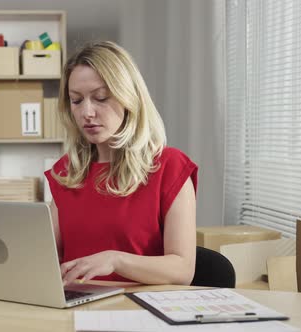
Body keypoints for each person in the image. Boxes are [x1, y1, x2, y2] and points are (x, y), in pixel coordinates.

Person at [44, 41, 198, 285]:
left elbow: (182, 270)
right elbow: (44, 258)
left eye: (101, 98)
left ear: (129, 98)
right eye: (76, 100)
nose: (87, 112)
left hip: (141, 311)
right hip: (75, 310)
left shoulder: (170, 167)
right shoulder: (67, 172)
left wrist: (116, 260)